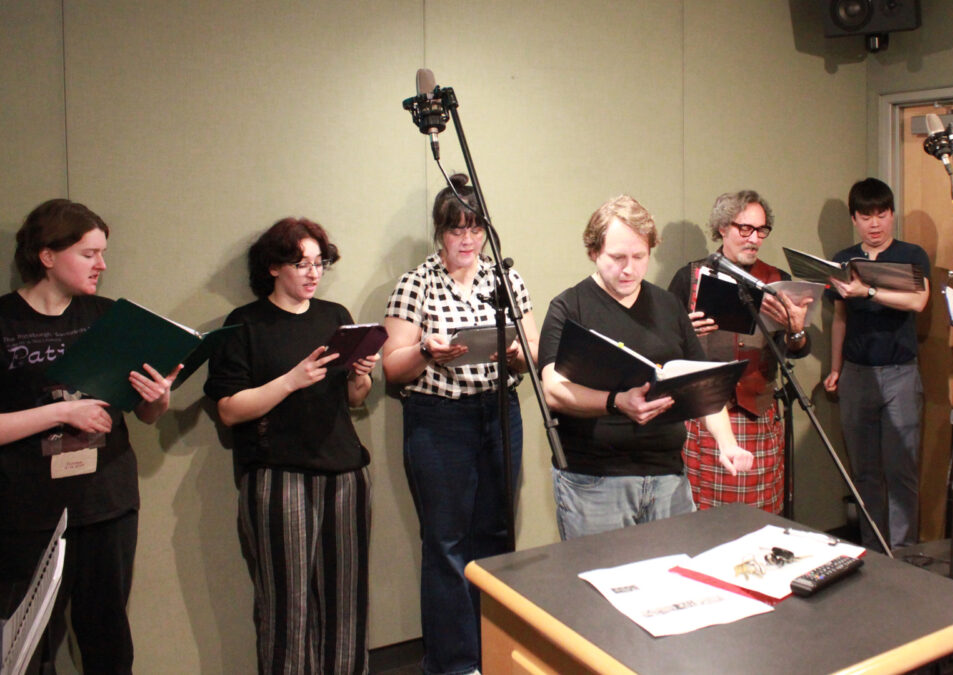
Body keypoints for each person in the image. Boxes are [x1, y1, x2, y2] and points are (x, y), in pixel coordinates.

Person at [0, 199, 178, 673]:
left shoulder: (109, 316)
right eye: (88, 253)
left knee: (108, 636)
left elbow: (145, 416)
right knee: (29, 642)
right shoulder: (3, 320)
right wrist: (64, 412)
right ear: (47, 255)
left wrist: (157, 397)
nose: (102, 264)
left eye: (103, 252)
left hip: (107, 502)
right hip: (28, 510)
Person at [380, 174, 537, 675]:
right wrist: (428, 350)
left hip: (496, 412)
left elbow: (533, 351)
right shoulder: (417, 282)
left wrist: (516, 355)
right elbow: (391, 366)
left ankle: (493, 654)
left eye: (475, 229)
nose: (466, 240)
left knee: (496, 535)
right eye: (456, 230)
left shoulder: (505, 279)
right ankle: (454, 663)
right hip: (439, 420)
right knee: (447, 541)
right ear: (440, 233)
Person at [204, 217, 375, 674]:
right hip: (279, 475)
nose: (313, 273)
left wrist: (361, 375)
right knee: (287, 606)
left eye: (320, 263)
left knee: (346, 600)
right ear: (274, 267)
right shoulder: (245, 323)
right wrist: (290, 381)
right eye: (301, 263)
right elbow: (229, 409)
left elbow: (354, 400)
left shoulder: (335, 316)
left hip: (345, 471)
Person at [539, 194, 754, 540]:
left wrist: (727, 444)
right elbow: (553, 391)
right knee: (600, 585)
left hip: (668, 475)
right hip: (596, 480)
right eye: (617, 257)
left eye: (640, 257)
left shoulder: (667, 305)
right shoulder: (569, 307)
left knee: (673, 580)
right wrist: (616, 402)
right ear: (594, 252)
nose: (629, 269)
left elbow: (704, 388)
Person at [667, 190, 812, 513]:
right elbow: (663, 351)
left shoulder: (777, 280)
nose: (754, 238)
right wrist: (684, 334)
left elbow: (798, 350)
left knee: (760, 517)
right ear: (722, 228)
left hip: (758, 411)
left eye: (761, 230)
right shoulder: (689, 277)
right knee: (705, 517)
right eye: (744, 229)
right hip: (706, 412)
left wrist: (796, 330)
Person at [822, 178, 930, 551]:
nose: (874, 223)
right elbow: (840, 318)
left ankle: (905, 554)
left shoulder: (911, 254)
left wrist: (867, 291)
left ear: (892, 215)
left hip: (900, 372)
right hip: (856, 373)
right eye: (866, 215)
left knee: (901, 470)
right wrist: (835, 368)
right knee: (864, 472)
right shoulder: (843, 258)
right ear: (854, 218)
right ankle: (873, 549)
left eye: (881, 214)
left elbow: (918, 301)